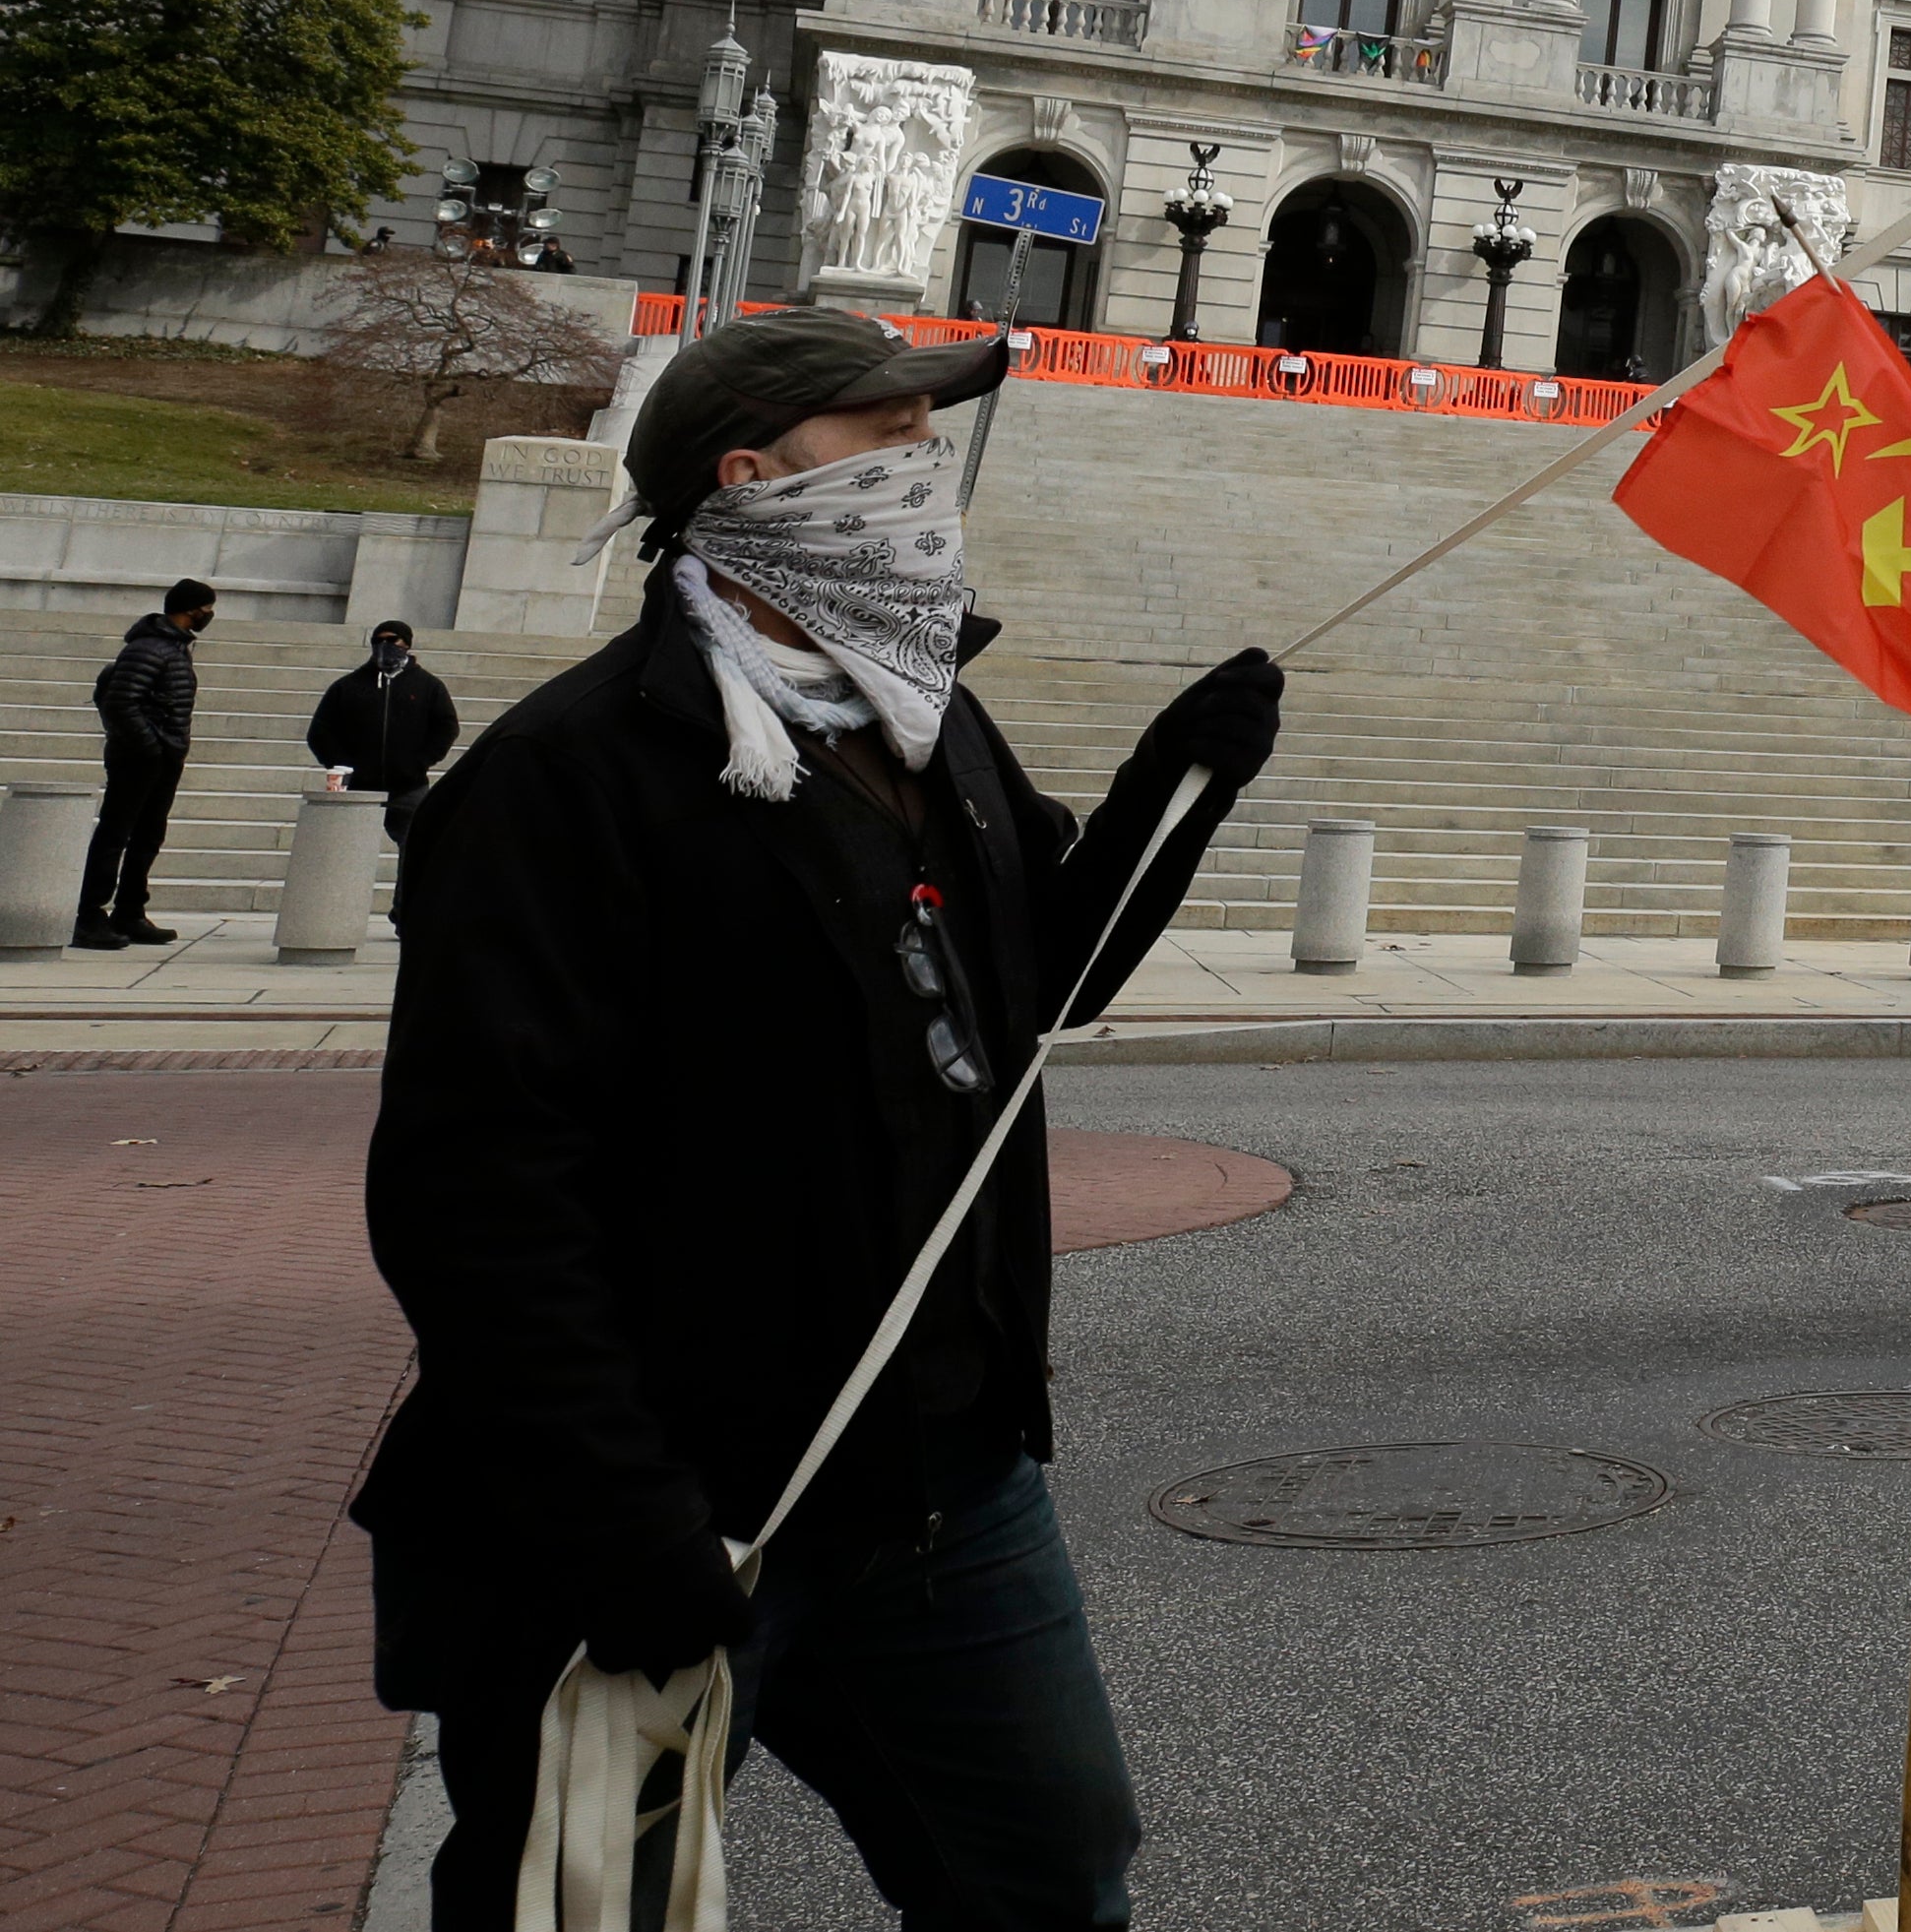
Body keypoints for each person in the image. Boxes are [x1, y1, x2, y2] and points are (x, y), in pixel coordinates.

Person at [355, 307, 1286, 1929]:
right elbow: (476, 1197)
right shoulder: (565, 778)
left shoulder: (924, 721)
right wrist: (621, 1517)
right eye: (889, 433)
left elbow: (1025, 993)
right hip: (659, 1513)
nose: (929, 465)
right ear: (755, 474)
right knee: (578, 1902)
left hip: (945, 1494)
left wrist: (1167, 797)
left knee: (1053, 1875)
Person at [73, 574, 216, 948]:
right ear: (190, 610)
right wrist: (150, 746)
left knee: (148, 836)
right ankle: (89, 916)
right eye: (206, 608)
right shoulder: (150, 648)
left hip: (163, 754)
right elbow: (122, 702)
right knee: (115, 834)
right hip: (141, 756)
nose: (209, 615)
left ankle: (130, 911)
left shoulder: (174, 647)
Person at [309, 617, 463, 833]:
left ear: (406, 644)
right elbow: (320, 731)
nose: (384, 646)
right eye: (377, 640)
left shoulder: (428, 686)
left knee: (414, 848)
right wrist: (342, 764)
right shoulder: (348, 686)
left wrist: (419, 762)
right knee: (349, 844)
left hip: (409, 787)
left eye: (392, 640)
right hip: (358, 788)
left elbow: (446, 727)